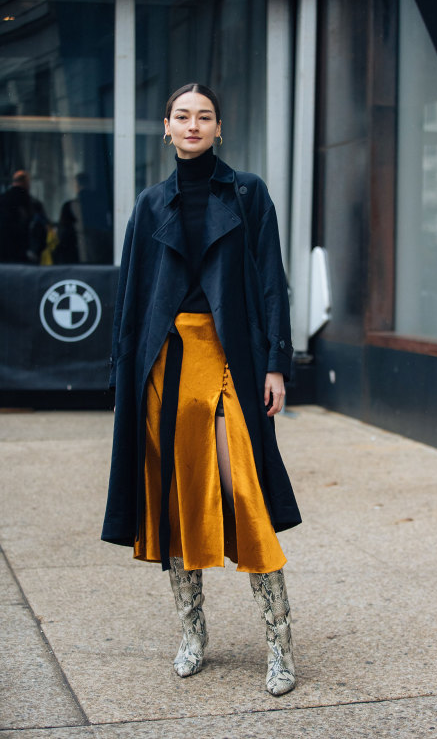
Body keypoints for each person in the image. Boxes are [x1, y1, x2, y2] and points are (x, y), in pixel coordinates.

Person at [101, 83, 301, 696]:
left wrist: (276, 363)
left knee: (243, 490)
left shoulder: (248, 193)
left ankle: (280, 642)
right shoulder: (150, 202)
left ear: (220, 128)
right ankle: (192, 631)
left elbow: (271, 280)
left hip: (229, 356)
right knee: (175, 500)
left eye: (204, 116)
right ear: (166, 127)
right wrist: (123, 377)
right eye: (182, 116)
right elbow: (131, 298)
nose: (193, 125)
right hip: (165, 361)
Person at [0, 170, 48, 263]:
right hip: (24, 253)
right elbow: (40, 227)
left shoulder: (3, 200)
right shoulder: (32, 203)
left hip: (3, 254)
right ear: (27, 183)